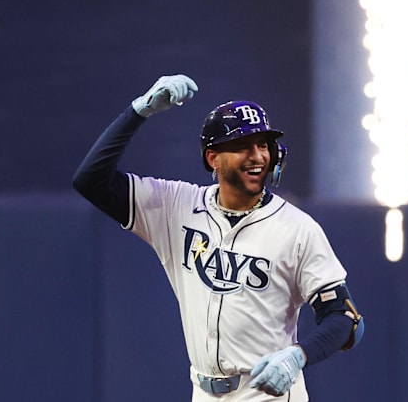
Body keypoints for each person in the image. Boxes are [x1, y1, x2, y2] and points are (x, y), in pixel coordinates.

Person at [72, 74, 365, 401]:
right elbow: (90, 181)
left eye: (263, 144)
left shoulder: (298, 228)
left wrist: (299, 354)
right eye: (242, 146)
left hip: (267, 394)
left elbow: (346, 319)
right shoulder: (175, 206)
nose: (257, 156)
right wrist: (139, 111)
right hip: (203, 392)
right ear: (213, 158)